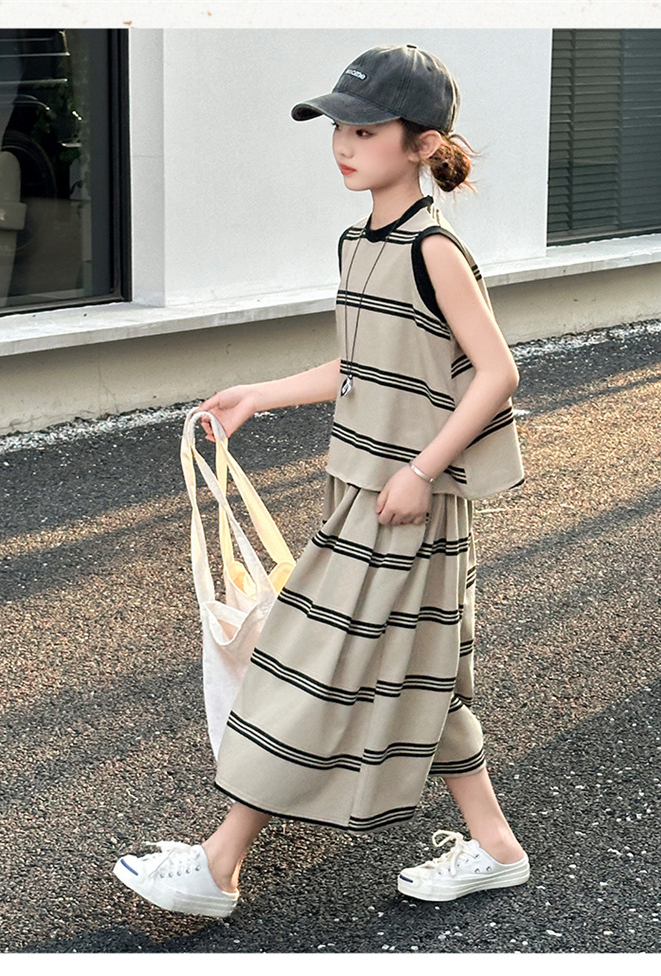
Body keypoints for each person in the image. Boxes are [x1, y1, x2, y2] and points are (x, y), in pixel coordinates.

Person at [114, 43, 529, 919]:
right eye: (339, 127)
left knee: (308, 662)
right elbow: (361, 363)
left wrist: (419, 471)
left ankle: (219, 865)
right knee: (419, 672)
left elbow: (498, 373)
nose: (344, 144)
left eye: (366, 130)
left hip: (406, 503)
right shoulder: (359, 242)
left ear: (422, 145)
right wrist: (258, 395)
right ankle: (495, 846)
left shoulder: (433, 249)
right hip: (365, 490)